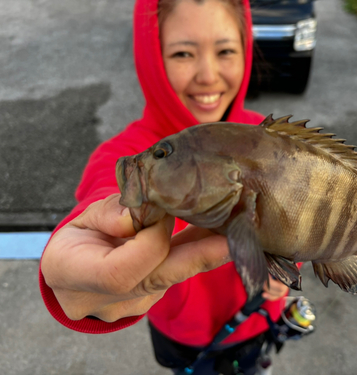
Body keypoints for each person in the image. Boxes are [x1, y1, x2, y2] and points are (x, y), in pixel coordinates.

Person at [39, 0, 290, 373]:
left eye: (225, 51)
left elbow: (298, 209)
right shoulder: (126, 155)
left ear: (246, 51)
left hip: (257, 324)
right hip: (181, 337)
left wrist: (286, 267)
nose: (207, 75)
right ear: (152, 58)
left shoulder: (272, 139)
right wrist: (77, 267)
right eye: (183, 53)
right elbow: (103, 197)